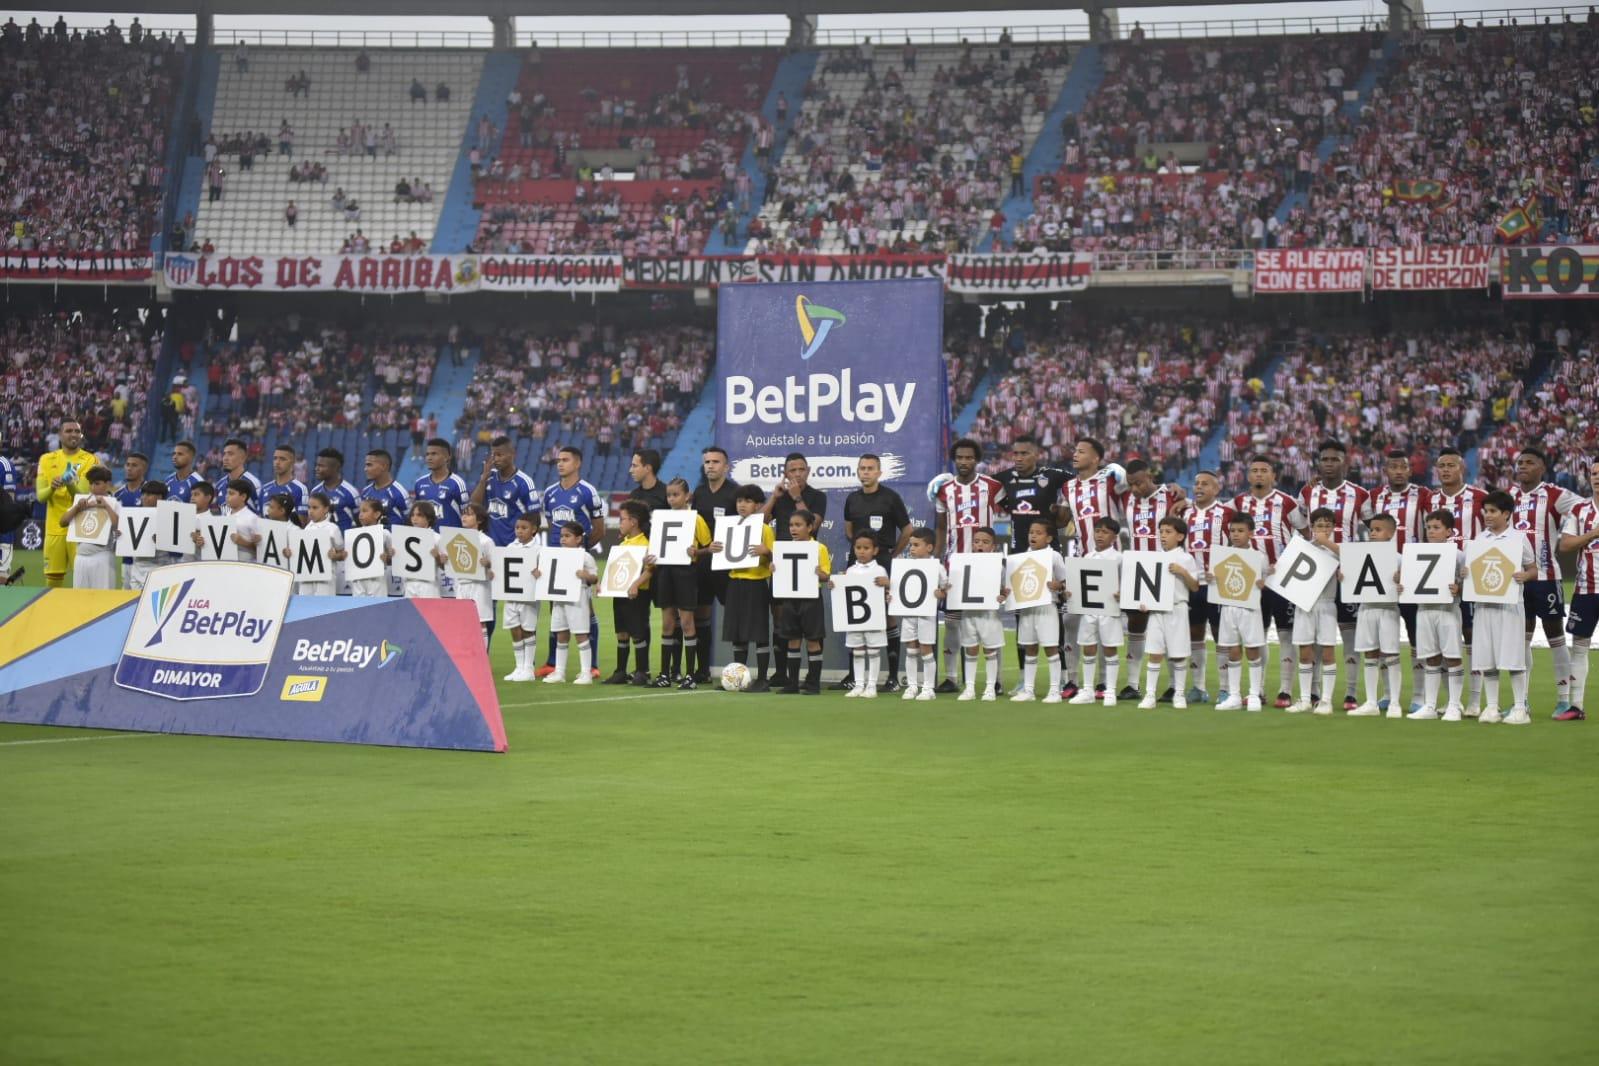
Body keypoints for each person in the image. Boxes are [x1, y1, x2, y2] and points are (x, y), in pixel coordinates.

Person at [1233, 453, 1308, 709]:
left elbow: (1305, 535)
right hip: (1251, 580)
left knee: (1287, 635)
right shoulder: (1238, 503)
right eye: (1254, 470)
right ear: (1248, 475)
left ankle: (1285, 690)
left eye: (1264, 470)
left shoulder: (1287, 503)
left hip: (1283, 579)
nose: (1259, 475)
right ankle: (1258, 689)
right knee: (1257, 636)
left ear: (1273, 475)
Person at [1509, 447, 1580, 717]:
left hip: (1547, 577)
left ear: (1542, 468)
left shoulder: (1554, 494)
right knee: (1521, 639)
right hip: (1517, 579)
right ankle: (1521, 701)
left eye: (1530, 462)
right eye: (1520, 462)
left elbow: (1584, 509)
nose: (1523, 466)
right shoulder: (1510, 497)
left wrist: (1570, 531)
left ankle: (1563, 699)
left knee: (1555, 637)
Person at [1300, 439, 1369, 710]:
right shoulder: (1307, 493)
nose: (1329, 464)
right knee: (1317, 635)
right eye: (1325, 459)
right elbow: (1298, 525)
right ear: (1319, 463)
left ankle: (1351, 693)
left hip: (1348, 574)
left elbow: (1370, 532)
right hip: (1317, 573)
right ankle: (1314, 693)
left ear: (1345, 462)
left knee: (1350, 634)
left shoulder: (1360, 495)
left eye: (1335, 459)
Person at [934, 438, 1004, 694]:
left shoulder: (993, 486)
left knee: (989, 623)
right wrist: (938, 557)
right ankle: (951, 677)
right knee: (952, 623)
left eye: (969, 458)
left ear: (977, 460)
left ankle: (995, 682)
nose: (964, 462)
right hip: (955, 565)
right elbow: (941, 527)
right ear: (954, 460)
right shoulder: (944, 490)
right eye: (960, 458)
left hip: (984, 567)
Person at [1367, 449, 1434, 711]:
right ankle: (1387, 693)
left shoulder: (1424, 495)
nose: (1397, 471)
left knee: (1418, 638)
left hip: (1413, 575)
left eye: (1402, 467)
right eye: (1392, 467)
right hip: (1382, 576)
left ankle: (1418, 696)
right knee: (1384, 639)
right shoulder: (1374, 497)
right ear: (1386, 470)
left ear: (1410, 470)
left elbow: (1431, 529)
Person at [841, 453, 912, 690]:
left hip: (882, 562)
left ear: (879, 472)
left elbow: (908, 529)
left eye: (871, 468)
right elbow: (848, 528)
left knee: (887, 616)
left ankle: (892, 677)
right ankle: (854, 676)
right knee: (855, 615)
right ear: (858, 471)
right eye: (862, 468)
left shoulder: (891, 498)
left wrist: (891, 554)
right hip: (857, 562)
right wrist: (860, 549)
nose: (866, 472)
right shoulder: (852, 499)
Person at [536, 445, 604, 678]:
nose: (560, 463)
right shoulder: (550, 493)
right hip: (556, 560)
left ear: (577, 463)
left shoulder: (587, 492)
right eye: (558, 460)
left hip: (576, 561)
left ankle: (592, 665)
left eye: (565, 460)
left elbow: (599, 528)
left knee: (586, 611)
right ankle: (553, 663)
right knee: (556, 610)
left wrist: (581, 551)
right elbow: (550, 523)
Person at [1121, 459, 1185, 700]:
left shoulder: (1169, 495)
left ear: (1149, 475)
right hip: (1137, 570)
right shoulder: (1126, 498)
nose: (1134, 489)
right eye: (1130, 485)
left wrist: (1182, 494)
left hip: (1164, 570)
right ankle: (1132, 684)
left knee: (1166, 628)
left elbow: (1184, 510)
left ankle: (1172, 686)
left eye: (1138, 483)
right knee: (1136, 625)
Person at [1473, 491, 1539, 725]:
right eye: (1485, 511)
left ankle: (1520, 708)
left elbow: (1533, 569)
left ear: (1506, 514)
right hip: (1483, 606)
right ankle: (1492, 707)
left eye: (1492, 511)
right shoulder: (1480, 539)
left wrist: (1525, 575)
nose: (1487, 515)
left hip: (1510, 607)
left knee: (1512, 657)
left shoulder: (1518, 538)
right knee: (1487, 658)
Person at [763, 453, 825, 689]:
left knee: (810, 627)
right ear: (785, 472)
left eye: (801, 469)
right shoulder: (779, 497)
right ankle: (783, 674)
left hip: (807, 569)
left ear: (808, 471)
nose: (797, 474)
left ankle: (812, 679)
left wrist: (798, 498)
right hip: (781, 567)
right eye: (792, 470)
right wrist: (774, 497)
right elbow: (759, 522)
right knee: (780, 620)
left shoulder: (817, 497)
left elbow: (815, 523)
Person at [645, 478, 712, 690]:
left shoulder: (696, 519)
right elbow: (655, 547)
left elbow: (709, 547)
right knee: (667, 623)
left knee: (686, 622)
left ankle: (690, 675)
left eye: (676, 495)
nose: (672, 499)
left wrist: (696, 552)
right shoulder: (661, 519)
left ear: (687, 496)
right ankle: (665, 674)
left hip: (686, 572)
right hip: (665, 571)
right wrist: (649, 557)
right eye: (669, 495)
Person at [1433, 447, 1487, 712]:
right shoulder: (1429, 500)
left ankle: (1475, 701)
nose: (1445, 470)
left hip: (1469, 577)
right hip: (1438, 579)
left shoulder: (1479, 498)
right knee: (1444, 639)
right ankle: (1450, 699)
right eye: (1441, 465)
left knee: (1471, 636)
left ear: (1462, 468)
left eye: (1450, 465)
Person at [1406, 510, 1468, 721]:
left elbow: (1468, 583)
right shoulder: (1415, 553)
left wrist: (1459, 588)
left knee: (1452, 656)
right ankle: (1430, 705)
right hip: (1423, 610)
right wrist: (1401, 581)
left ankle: (1454, 705)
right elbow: (1409, 583)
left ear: (1449, 531)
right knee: (1431, 657)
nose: (1431, 531)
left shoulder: (1458, 554)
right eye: (1429, 527)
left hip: (1447, 611)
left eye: (1436, 528)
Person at [1136, 517, 1201, 710]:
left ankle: (1179, 694)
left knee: (1179, 654)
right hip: (1156, 611)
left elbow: (1195, 587)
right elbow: (1147, 586)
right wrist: (1143, 603)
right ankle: (1149, 694)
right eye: (1161, 531)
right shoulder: (1154, 557)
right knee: (1154, 653)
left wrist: (1183, 572)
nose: (1163, 535)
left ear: (1180, 536)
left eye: (1168, 532)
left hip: (1177, 608)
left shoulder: (1186, 558)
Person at [1181, 470, 1233, 704]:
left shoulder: (1227, 513)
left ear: (1216, 489)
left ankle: (1225, 688)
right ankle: (1198, 687)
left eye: (1205, 484)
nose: (1199, 487)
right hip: (1192, 584)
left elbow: (1239, 542)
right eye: (1196, 483)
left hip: (1218, 584)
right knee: (1195, 634)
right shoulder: (1184, 513)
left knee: (1222, 635)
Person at [690, 446, 739, 684]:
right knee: (701, 616)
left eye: (716, 462)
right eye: (707, 462)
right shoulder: (698, 493)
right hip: (702, 562)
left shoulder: (735, 493)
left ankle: (738, 669)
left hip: (727, 563)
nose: (710, 465)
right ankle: (702, 670)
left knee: (734, 615)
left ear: (726, 466)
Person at [1555, 458, 1599, 722]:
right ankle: (1576, 705)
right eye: (1594, 473)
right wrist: (1593, 534)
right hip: (1587, 588)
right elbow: (1566, 545)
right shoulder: (1581, 510)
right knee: (1579, 647)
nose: (1596, 477)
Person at [1287, 509, 1343, 716]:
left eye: (1328, 526)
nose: (1324, 529)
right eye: (1319, 525)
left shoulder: (1338, 549)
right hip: (1305, 605)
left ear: (1334, 528)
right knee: (1305, 653)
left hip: (1327, 605)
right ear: (1312, 527)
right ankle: (1304, 699)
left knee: (1328, 653)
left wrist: (1327, 543)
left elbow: (1353, 562)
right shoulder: (1303, 549)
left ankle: (1326, 701)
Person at [721, 484, 776, 692]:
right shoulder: (729, 527)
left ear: (758, 505)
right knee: (738, 633)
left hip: (756, 583)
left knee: (759, 632)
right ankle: (738, 678)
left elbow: (776, 559)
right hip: (735, 582)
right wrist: (717, 549)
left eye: (747, 501)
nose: (742, 505)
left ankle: (762, 679)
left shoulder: (764, 529)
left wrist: (767, 551)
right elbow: (723, 556)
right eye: (739, 501)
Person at [1350, 514, 1405, 718]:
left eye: (1378, 530)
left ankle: (1395, 702)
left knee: (1391, 654)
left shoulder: (1399, 558)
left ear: (1391, 533)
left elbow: (1409, 589)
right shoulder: (1359, 555)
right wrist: (1344, 577)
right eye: (1371, 530)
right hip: (1366, 608)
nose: (1373, 533)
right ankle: (1371, 702)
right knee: (1370, 654)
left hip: (1388, 610)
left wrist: (1402, 581)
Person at [774, 509, 831, 696]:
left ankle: (813, 683)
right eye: (791, 525)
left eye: (798, 525)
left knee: (813, 641)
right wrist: (774, 567)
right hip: (790, 599)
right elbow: (781, 574)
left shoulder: (819, 548)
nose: (793, 529)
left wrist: (818, 572)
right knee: (792, 640)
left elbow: (826, 576)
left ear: (810, 527)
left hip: (811, 599)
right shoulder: (784, 548)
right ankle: (792, 683)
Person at [1015, 519, 1072, 704]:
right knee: (1030, 647)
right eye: (1031, 532)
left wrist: (1059, 585)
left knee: (1050, 647)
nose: (1033, 535)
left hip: (1047, 606)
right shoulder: (1022, 557)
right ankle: (1028, 690)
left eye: (1038, 533)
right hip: (1028, 607)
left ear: (1048, 538)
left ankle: (1055, 690)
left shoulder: (1054, 556)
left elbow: (1065, 582)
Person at [1067, 517, 1123, 707]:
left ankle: (1110, 691)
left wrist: (1122, 594)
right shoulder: (1087, 557)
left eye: (1105, 532)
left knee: (1110, 647)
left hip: (1109, 609)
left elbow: (1127, 585)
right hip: (1089, 609)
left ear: (1114, 537)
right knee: (1088, 646)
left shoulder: (1119, 558)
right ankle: (1088, 690)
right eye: (1097, 531)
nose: (1099, 535)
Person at [1214, 515, 1268, 712]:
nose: (1236, 535)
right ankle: (1234, 695)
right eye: (1233, 531)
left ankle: (1254, 694)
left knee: (1252, 650)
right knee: (1233, 651)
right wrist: (1213, 578)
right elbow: (1219, 582)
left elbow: (1263, 582)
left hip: (1249, 609)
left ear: (1251, 533)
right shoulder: (1223, 555)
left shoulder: (1259, 557)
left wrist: (1263, 584)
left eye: (1240, 531)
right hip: (1228, 608)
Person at [35, 419, 97, 587]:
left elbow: (83, 496)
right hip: (54, 530)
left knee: (83, 581)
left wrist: (68, 482)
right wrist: (52, 488)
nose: (74, 434)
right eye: (69, 431)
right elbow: (41, 497)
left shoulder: (89, 459)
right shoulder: (46, 459)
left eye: (77, 431)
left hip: (80, 530)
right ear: (60, 435)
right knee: (53, 582)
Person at [831, 531, 891, 698]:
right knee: (857, 651)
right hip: (855, 618)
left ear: (875, 550)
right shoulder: (850, 571)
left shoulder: (880, 569)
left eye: (866, 548)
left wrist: (888, 584)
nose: (862, 551)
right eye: (858, 548)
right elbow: (845, 592)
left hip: (874, 618)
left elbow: (889, 592)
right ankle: (858, 684)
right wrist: (835, 585)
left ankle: (871, 685)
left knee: (873, 650)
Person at [605, 500, 655, 686]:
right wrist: (605, 584)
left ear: (633, 521)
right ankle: (620, 671)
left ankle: (642, 671)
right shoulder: (624, 542)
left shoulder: (645, 543)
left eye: (622, 519)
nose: (620, 523)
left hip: (638, 594)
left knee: (638, 633)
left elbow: (650, 569)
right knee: (622, 632)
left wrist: (635, 584)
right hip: (620, 593)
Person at [958, 526, 1009, 703]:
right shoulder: (963, 562)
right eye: (977, 541)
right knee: (970, 649)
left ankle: (990, 687)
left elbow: (1004, 590)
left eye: (985, 542)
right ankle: (970, 688)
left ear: (993, 547)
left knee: (990, 650)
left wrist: (1003, 596)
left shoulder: (999, 566)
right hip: (969, 613)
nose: (980, 545)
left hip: (989, 614)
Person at [897, 527, 948, 703]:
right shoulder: (904, 564)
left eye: (916, 545)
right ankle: (912, 686)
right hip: (909, 613)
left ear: (929, 547)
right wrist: (892, 595)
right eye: (911, 545)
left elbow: (946, 587)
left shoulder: (937, 567)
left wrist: (941, 593)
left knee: (926, 650)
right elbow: (898, 588)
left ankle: (928, 687)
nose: (911, 548)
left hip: (926, 614)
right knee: (911, 649)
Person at [543, 521, 598, 684]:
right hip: (559, 599)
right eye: (561, 536)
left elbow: (595, 578)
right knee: (561, 635)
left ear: (579, 539)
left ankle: (586, 673)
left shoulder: (585, 556)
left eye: (567, 536)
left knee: (581, 634)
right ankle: (559, 672)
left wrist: (585, 575)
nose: (563, 539)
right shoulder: (557, 555)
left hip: (577, 598)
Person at [471, 435, 539, 546]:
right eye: (493, 455)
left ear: (512, 454)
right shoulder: (489, 477)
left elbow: (535, 518)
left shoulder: (524, 482)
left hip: (513, 545)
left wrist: (526, 545)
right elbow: (474, 505)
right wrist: (483, 480)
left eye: (499, 455)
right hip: (489, 544)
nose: (495, 459)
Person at [60, 466, 120, 590]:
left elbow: (118, 526)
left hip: (102, 556)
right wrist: (76, 508)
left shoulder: (114, 502)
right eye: (91, 484)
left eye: (97, 483)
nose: (93, 487)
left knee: (103, 598)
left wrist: (107, 507)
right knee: (80, 599)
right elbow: (63, 522)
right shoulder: (83, 501)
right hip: (81, 557)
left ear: (107, 484)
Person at [502, 513, 543, 683]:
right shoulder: (511, 546)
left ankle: (529, 668)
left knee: (528, 630)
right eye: (517, 528)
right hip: (511, 595)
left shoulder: (539, 549)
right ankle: (519, 667)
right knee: (514, 629)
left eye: (524, 528)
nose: (519, 531)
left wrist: (539, 573)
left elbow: (545, 573)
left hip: (529, 597)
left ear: (533, 529)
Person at [451, 503, 496, 648]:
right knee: (462, 624)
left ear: (479, 520)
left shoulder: (486, 541)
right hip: (461, 585)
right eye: (463, 513)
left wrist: (489, 564)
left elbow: (496, 568)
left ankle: (482, 661)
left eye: (469, 514)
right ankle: (467, 661)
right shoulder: (456, 538)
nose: (464, 516)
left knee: (480, 622)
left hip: (479, 586)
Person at [291, 492, 345, 598]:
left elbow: (342, 553)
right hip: (307, 575)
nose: (311, 511)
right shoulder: (306, 529)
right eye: (309, 507)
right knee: (305, 604)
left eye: (315, 508)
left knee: (324, 606)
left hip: (325, 577)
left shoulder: (332, 528)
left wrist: (335, 556)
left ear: (325, 509)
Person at [413, 437, 468, 530]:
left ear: (447, 457)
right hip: (427, 539)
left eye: (434, 454)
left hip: (450, 540)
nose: (429, 458)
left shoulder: (457, 483)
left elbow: (467, 515)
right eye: (427, 454)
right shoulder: (419, 483)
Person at [114, 452, 150, 589]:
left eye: (134, 465)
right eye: (127, 465)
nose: (129, 468)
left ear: (144, 469)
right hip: (125, 555)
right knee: (126, 593)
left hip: (145, 557)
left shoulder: (151, 493)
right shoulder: (118, 495)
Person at [344, 499, 392, 598]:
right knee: (357, 609)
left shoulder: (384, 533)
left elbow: (395, 556)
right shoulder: (353, 534)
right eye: (360, 511)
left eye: (365, 511)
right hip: (358, 579)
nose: (360, 514)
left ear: (377, 514)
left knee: (377, 608)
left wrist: (387, 558)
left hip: (376, 579)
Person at [400, 501, 444, 600]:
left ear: (428, 517)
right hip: (409, 585)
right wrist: (393, 555)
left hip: (428, 585)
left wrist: (437, 557)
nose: (414, 518)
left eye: (419, 515)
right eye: (412, 515)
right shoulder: (404, 537)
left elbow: (445, 567)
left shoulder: (437, 538)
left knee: (430, 615)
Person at [313, 447, 362, 531]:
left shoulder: (351, 492)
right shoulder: (315, 492)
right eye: (317, 465)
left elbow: (361, 522)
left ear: (336, 468)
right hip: (322, 541)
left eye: (321, 466)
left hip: (344, 542)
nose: (316, 469)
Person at [361, 449, 411, 529]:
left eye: (369, 465)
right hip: (371, 539)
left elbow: (410, 522)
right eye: (366, 465)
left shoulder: (399, 492)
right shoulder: (365, 492)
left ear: (384, 466)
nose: (365, 469)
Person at [213, 438, 263, 512]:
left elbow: (263, 516)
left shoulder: (253, 484)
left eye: (230, 454)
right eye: (224, 454)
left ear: (243, 458)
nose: (225, 458)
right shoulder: (219, 485)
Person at [259, 443, 308, 517]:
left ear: (292, 462)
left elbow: (301, 522)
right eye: (275, 458)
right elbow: (259, 517)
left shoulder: (300, 489)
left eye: (282, 459)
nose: (277, 462)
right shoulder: (264, 488)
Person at [166, 440, 206, 504]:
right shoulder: (168, 480)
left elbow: (199, 511)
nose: (175, 457)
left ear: (191, 457)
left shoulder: (199, 482)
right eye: (174, 454)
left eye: (180, 454)